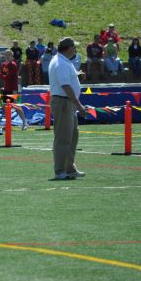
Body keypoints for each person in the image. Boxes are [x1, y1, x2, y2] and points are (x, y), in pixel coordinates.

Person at [48, 38, 86, 180]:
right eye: (74, 48)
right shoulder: (60, 62)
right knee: (63, 138)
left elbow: (67, 81)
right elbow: (65, 86)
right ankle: (59, 170)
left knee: (72, 136)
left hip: (67, 102)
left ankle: (69, 168)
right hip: (64, 102)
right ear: (68, 48)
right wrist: (79, 104)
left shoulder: (63, 61)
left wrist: (77, 77)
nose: (75, 50)